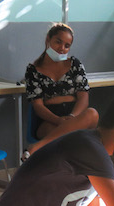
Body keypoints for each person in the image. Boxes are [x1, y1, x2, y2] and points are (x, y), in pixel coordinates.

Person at [23, 23, 98, 159]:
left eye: (67, 45)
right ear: (48, 40)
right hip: (49, 119)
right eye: (58, 42)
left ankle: (36, 148)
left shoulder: (75, 64)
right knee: (65, 137)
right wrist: (58, 120)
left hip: (74, 115)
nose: (62, 48)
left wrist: (72, 118)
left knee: (92, 114)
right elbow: (38, 106)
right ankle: (76, 173)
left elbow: (83, 98)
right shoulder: (33, 70)